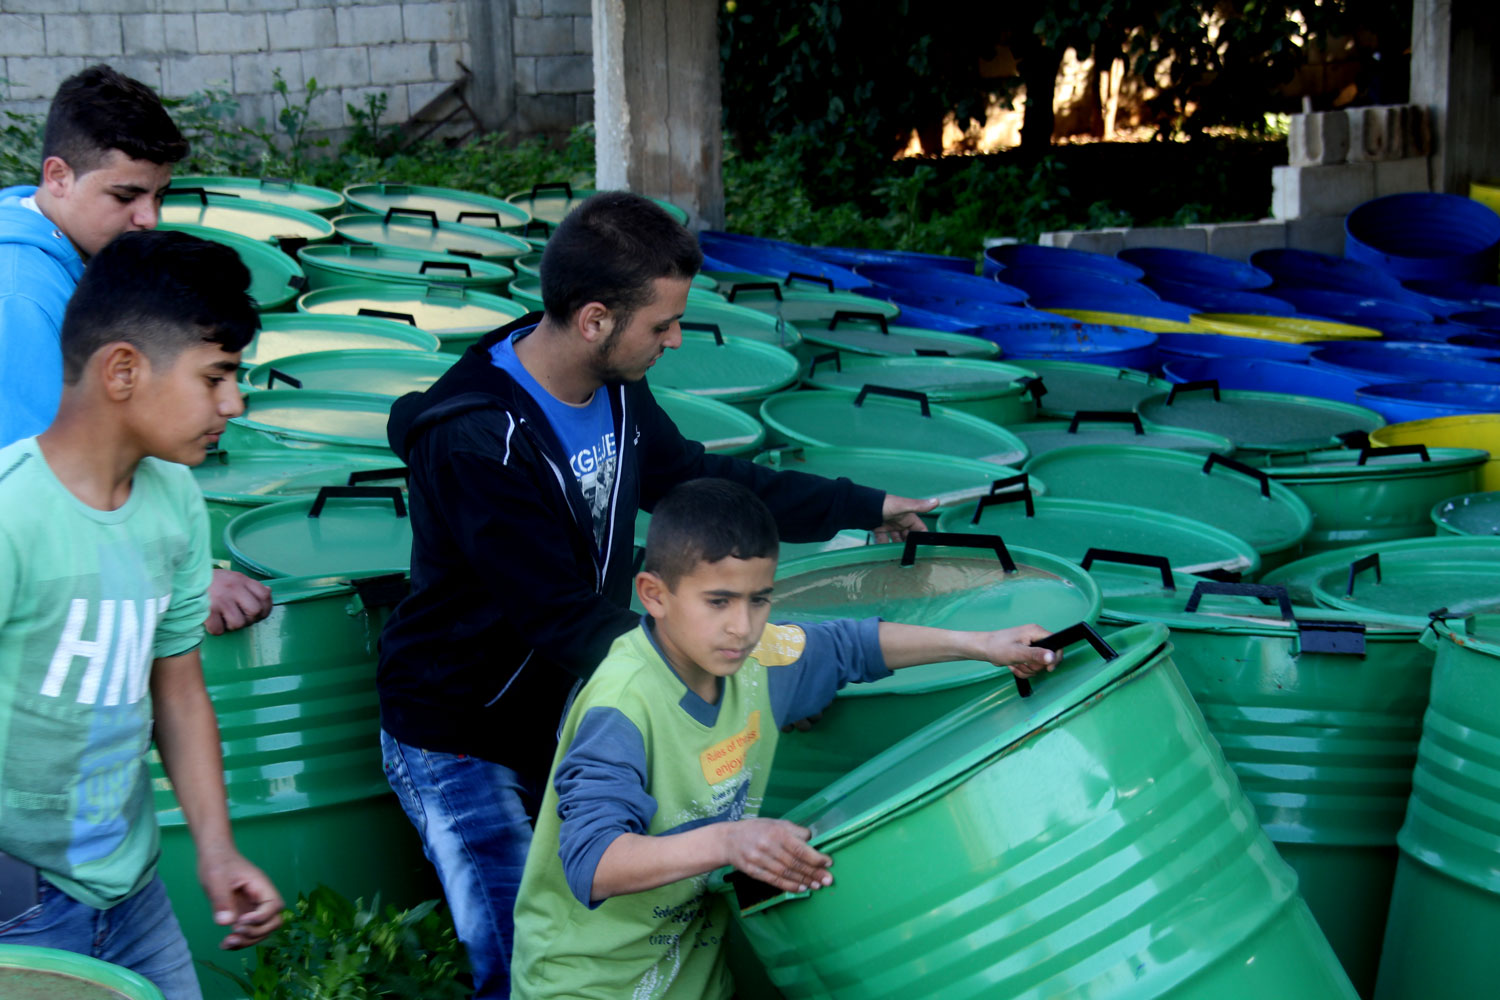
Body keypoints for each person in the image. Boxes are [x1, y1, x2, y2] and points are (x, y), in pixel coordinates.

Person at [377, 190, 940, 997]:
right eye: (662, 326)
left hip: (568, 705)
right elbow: (561, 616)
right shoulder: (477, 441)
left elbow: (697, 485)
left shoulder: (611, 385)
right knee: (519, 958)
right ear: (596, 318)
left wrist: (864, 507)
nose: (676, 340)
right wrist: (738, 671)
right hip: (463, 731)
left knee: (606, 928)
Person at [509, 478, 1059, 998]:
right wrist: (729, 842)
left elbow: (852, 646)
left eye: (759, 599)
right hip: (588, 982)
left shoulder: (759, 658)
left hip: (693, 972)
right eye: (718, 602)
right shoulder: (622, 704)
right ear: (654, 594)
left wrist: (983, 642)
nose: (742, 627)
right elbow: (593, 862)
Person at [0, 230, 283, 999]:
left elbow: (178, 690)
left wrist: (217, 851)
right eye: (216, 377)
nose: (234, 403)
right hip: (17, 905)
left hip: (133, 886)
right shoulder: (11, 515)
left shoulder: (177, 504)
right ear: (122, 369)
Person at [0, 62, 271, 636]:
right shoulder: (20, 296)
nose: (147, 219)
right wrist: (183, 579)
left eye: (158, 195)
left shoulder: (62, 248)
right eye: (125, 195)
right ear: (57, 176)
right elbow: (42, 489)